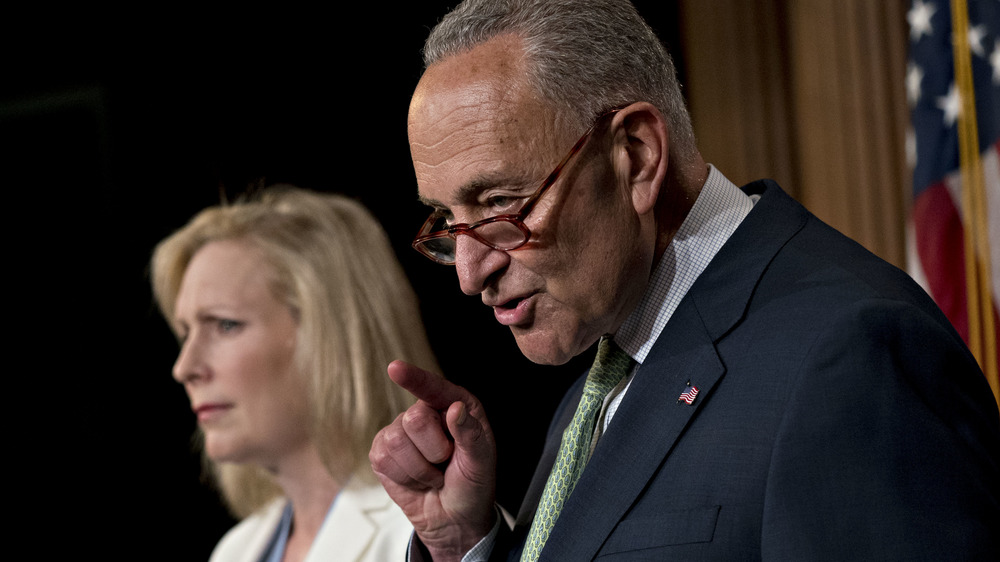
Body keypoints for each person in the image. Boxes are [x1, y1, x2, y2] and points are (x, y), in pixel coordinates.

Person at [369, 0, 1000, 560]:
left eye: (502, 205)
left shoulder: (849, 356)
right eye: (451, 223)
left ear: (636, 156)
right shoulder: (602, 378)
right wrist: (464, 544)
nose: (471, 274)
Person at [152, 186, 438, 561]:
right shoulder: (233, 551)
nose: (184, 369)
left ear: (331, 335)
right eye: (186, 332)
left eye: (224, 325)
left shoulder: (432, 536)